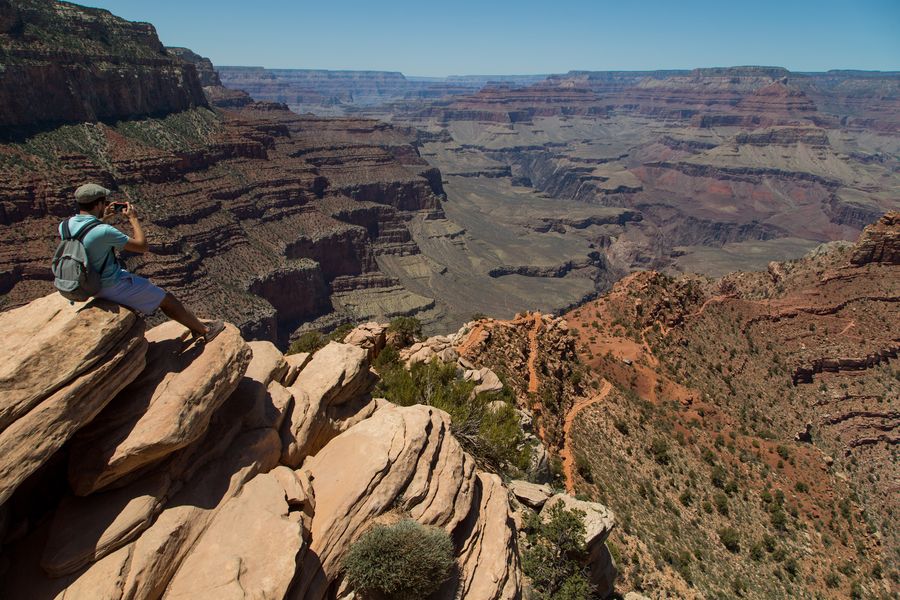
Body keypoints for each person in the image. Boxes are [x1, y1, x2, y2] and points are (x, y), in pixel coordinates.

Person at [61, 183, 224, 343]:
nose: (105, 204)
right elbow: (142, 247)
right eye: (104, 202)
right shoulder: (103, 231)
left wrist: (103, 218)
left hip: (85, 282)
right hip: (109, 285)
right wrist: (133, 219)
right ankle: (204, 331)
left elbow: (90, 238)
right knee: (166, 299)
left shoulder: (65, 226)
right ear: (98, 204)